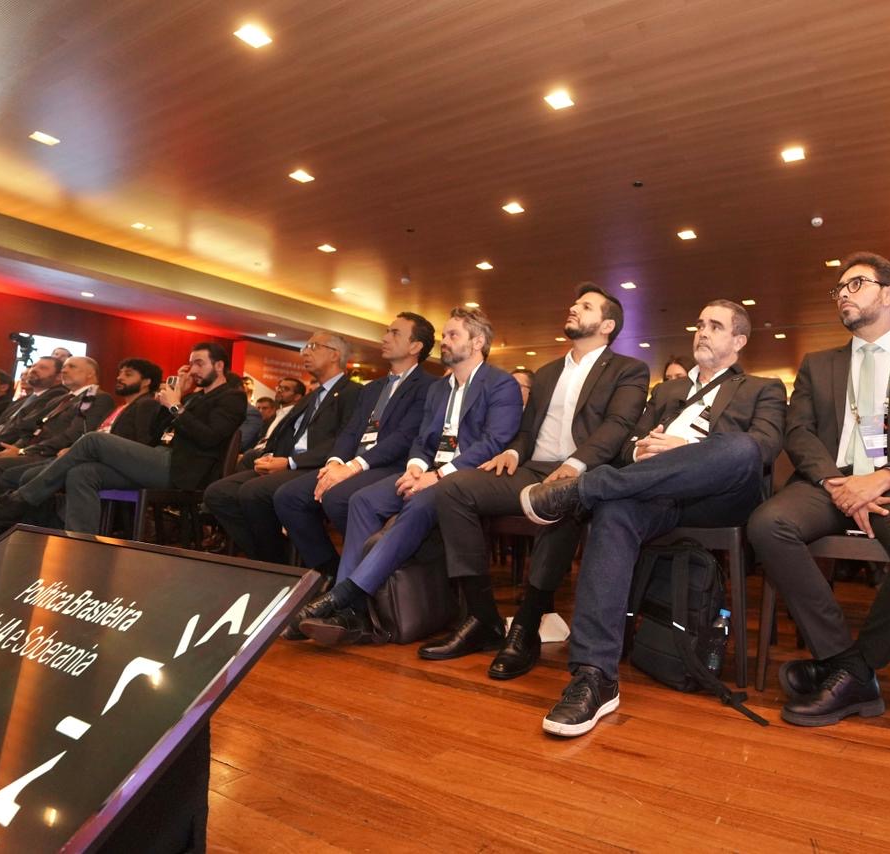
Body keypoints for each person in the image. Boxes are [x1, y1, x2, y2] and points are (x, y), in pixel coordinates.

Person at [520, 299, 786, 737]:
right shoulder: (666, 392)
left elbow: (765, 449)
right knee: (615, 511)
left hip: (717, 496)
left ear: (739, 341)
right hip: (654, 493)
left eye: (715, 326)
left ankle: (583, 490)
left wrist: (683, 449)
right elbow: (625, 447)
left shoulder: (762, 388)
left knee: (742, 447)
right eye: (699, 324)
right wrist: (641, 450)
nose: (702, 332)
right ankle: (594, 676)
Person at [748, 253, 890, 727]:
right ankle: (844, 661)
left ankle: (858, 666)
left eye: (856, 283)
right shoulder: (817, 364)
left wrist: (884, 476)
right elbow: (798, 432)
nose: (843, 293)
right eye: (839, 288)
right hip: (830, 481)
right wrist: (834, 482)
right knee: (768, 524)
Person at [426, 284, 649, 676]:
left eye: (586, 306)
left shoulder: (628, 370)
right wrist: (512, 453)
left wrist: (577, 464)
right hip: (531, 469)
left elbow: (617, 425)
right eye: (574, 303)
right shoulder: (546, 373)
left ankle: (526, 626)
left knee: (561, 500)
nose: (573, 308)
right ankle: (482, 617)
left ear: (608, 325)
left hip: (584, 473)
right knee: (452, 488)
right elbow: (526, 431)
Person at [290, 307, 521, 646]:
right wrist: (415, 467)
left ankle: (345, 597)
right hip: (427, 472)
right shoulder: (439, 389)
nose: (444, 342)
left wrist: (438, 475)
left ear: (477, 343)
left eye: (453, 335)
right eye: (444, 335)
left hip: (465, 478)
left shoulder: (500, 384)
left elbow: (493, 442)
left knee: (420, 502)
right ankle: (353, 609)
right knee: (363, 500)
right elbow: (422, 440)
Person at [0, 342, 246, 538]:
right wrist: (178, 398)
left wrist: (175, 406)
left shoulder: (232, 397)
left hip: (183, 470)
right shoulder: (194, 398)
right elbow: (158, 433)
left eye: (199, 363)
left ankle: (15, 500)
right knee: (82, 473)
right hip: (160, 457)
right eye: (191, 363)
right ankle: (79, 543)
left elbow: (209, 438)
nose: (193, 370)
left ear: (219, 365)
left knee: (93, 441)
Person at [273, 313, 438, 576]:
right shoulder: (372, 388)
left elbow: (405, 437)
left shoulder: (430, 386)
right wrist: (334, 463)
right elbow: (351, 431)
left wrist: (352, 467)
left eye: (394, 333)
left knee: (337, 498)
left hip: (391, 465)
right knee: (288, 497)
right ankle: (330, 571)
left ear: (415, 346)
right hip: (353, 464)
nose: (385, 337)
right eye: (387, 331)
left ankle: (372, 571)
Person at [204, 333, 361, 563]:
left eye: (313, 346)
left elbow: (345, 439)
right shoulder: (312, 396)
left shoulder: (353, 393)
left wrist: (290, 462)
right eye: (305, 347)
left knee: (254, 492)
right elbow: (287, 434)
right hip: (287, 463)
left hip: (318, 467)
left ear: (334, 355)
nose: (305, 352)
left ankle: (291, 564)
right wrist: (270, 456)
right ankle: (271, 558)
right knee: (219, 493)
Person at [0, 356, 114, 502]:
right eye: (63, 367)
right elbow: (31, 427)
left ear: (90, 373)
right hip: (31, 450)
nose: (64, 370)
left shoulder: (93, 396)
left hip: (51, 455)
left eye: (72, 366)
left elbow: (74, 434)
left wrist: (24, 451)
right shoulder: (61, 399)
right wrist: (15, 448)